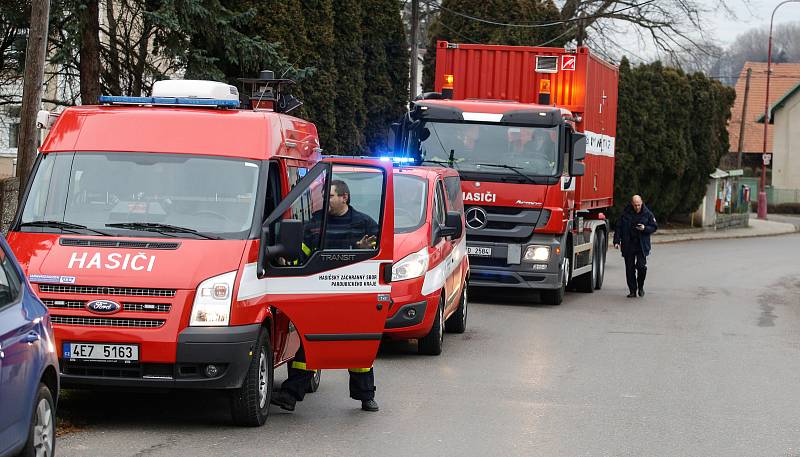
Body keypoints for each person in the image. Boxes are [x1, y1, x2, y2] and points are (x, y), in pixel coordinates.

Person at [271, 179, 380, 412]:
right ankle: (290, 396)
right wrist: (287, 257)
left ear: (344, 198)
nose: (325, 200)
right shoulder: (316, 221)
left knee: (356, 348)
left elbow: (378, 254)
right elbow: (304, 250)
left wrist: (360, 251)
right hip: (318, 289)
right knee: (310, 344)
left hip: (352, 292)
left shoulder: (365, 223)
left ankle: (366, 397)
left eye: (329, 196)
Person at [613, 195, 658, 298]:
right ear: (632, 204)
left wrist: (645, 228)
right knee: (629, 269)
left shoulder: (647, 213)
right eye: (635, 205)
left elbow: (654, 227)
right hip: (628, 244)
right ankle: (632, 290)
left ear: (641, 203)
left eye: (639, 205)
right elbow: (618, 227)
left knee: (641, 267)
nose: (637, 207)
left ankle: (640, 286)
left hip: (641, 245)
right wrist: (616, 241)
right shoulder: (625, 213)